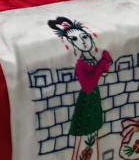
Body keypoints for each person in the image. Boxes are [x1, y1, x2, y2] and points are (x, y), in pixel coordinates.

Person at [48, 16, 113, 160]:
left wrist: (103, 65)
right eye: (75, 40)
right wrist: (101, 65)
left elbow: (101, 75)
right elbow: (88, 85)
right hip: (86, 101)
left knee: (94, 133)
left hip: (94, 99)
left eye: (84, 36)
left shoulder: (92, 59)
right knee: (83, 133)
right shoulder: (80, 65)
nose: (83, 41)